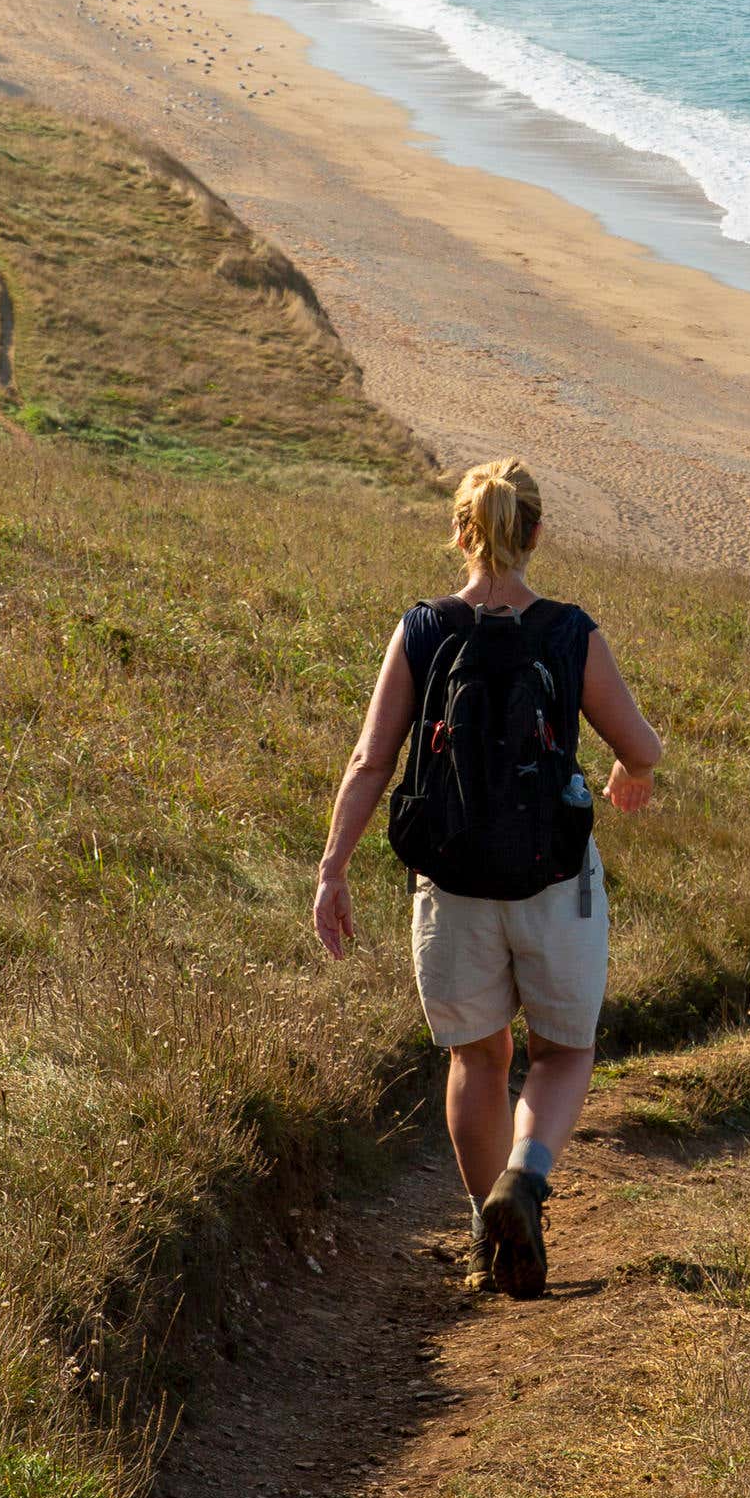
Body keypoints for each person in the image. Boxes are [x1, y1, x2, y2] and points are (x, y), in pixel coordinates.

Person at [314, 457, 663, 1299]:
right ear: (535, 532)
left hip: (452, 883)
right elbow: (642, 745)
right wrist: (629, 774)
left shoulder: (424, 629)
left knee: (477, 1056)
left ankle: (487, 1230)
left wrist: (333, 871)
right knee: (562, 1051)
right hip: (555, 883)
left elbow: (370, 761)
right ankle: (526, 1182)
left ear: (462, 533)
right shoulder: (570, 630)